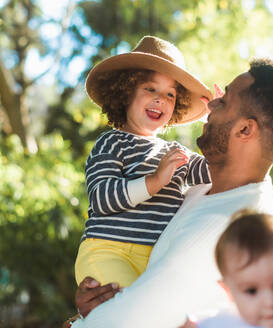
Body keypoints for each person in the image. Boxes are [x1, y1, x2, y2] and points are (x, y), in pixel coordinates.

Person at [69, 58, 273, 328]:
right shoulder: (209, 189)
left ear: (244, 129)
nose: (210, 103)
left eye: (224, 100)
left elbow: (123, 321)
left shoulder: (227, 228)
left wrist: (78, 322)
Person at [74, 35, 213, 289]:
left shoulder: (176, 152)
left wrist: (218, 124)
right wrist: (154, 181)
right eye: (150, 89)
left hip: (155, 260)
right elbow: (101, 198)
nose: (161, 99)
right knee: (130, 308)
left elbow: (217, 171)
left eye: (170, 95)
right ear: (126, 93)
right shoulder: (111, 143)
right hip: (107, 251)